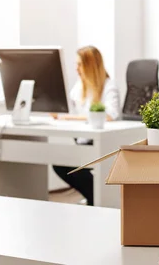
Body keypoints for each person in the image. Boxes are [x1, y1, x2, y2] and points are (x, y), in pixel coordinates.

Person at [52, 45, 121, 206]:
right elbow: (70, 109)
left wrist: (69, 119)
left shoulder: (109, 86)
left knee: (67, 164)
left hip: (101, 144)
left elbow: (111, 114)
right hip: (83, 141)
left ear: (90, 65)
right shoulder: (79, 86)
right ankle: (93, 198)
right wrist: (59, 112)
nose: (76, 69)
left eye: (79, 64)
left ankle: (95, 199)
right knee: (60, 163)